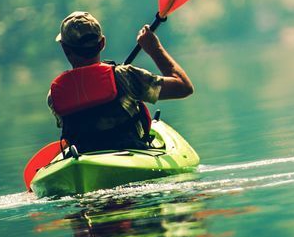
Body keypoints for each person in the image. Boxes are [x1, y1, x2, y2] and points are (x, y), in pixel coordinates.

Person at [48, 11, 194, 153]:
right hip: (131, 152)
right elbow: (183, 87)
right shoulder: (124, 76)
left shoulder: (56, 94)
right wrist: (154, 48)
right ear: (102, 43)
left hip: (83, 155)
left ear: (65, 49)